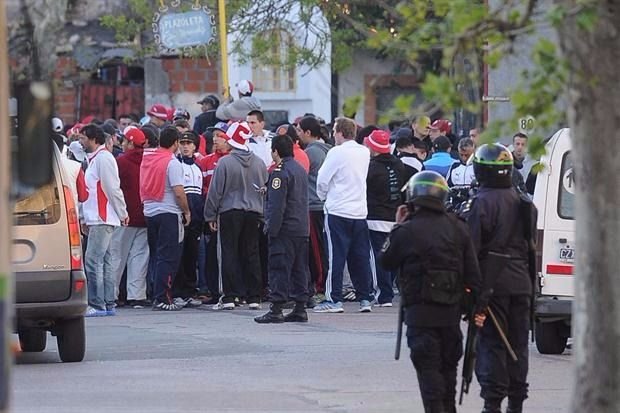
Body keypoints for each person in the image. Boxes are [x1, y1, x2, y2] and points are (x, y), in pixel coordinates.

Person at [379, 171, 485, 413]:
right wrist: (474, 308)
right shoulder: (459, 228)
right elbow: (474, 276)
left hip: (421, 318)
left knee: (430, 386)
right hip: (451, 319)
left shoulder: (407, 231)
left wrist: (397, 225)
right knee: (447, 383)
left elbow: (385, 260)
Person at [460, 143, 537, 413]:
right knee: (518, 345)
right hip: (522, 283)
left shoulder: (481, 202)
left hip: (492, 285)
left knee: (493, 344)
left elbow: (471, 250)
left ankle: (492, 404)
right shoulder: (523, 200)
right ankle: (516, 403)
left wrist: (471, 291)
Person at [203, 121, 268, 310]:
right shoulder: (259, 163)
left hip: (229, 212)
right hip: (253, 213)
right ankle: (254, 296)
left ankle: (230, 296)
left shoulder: (225, 162)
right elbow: (263, 190)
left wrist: (210, 215)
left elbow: (216, 191)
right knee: (251, 254)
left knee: (228, 253)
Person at [313, 117, 375, 314]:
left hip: (337, 210)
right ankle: (365, 297)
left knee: (336, 257)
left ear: (340, 132)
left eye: (334, 131)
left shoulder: (336, 152)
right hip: (359, 211)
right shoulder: (364, 152)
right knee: (360, 257)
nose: (332, 134)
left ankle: (334, 298)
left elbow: (322, 180)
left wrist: (324, 197)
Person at [254, 135, 310, 324]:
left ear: (275, 151)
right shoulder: (299, 169)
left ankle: (276, 308)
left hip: (284, 228)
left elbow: (277, 206)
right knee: (299, 268)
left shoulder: (280, 172)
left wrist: (271, 228)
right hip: (301, 227)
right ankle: (300, 306)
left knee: (279, 267)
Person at [79, 124, 129, 317]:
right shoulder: (94, 159)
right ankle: (108, 303)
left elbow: (112, 189)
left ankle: (97, 303)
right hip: (97, 217)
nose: (81, 142)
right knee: (105, 261)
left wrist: (122, 212)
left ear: (93, 139)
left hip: (103, 217)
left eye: (83, 138)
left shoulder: (104, 158)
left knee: (93, 260)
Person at [140, 127, 191, 311]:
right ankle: (163, 297)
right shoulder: (172, 162)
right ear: (176, 143)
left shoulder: (148, 158)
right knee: (168, 257)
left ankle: (156, 294)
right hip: (169, 212)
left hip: (150, 211)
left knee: (156, 256)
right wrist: (186, 211)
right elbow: (179, 192)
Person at [363, 129, 406, 307]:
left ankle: (383, 294)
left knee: (378, 256)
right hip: (395, 216)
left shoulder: (370, 167)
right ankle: (391, 291)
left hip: (375, 217)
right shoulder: (399, 164)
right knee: (393, 254)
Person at [110, 126, 150, 309]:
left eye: (125, 140)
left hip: (124, 216)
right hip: (144, 214)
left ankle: (112, 294)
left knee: (117, 256)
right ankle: (137, 295)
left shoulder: (121, 161)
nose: (123, 143)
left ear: (131, 143)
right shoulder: (148, 160)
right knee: (139, 257)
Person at [298, 116, 331, 304]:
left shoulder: (311, 153)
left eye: (300, 130)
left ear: (308, 132)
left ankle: (320, 286)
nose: (298, 134)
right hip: (325, 205)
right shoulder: (330, 149)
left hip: (313, 205)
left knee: (317, 250)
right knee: (324, 248)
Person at [196, 122, 230, 303]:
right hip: (209, 213)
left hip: (227, 213)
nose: (215, 139)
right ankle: (213, 290)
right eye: (214, 135)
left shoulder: (233, 159)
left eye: (220, 135)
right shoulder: (206, 160)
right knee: (210, 254)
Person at [171, 131, 204, 308]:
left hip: (196, 216)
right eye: (182, 143)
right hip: (182, 214)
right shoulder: (176, 165)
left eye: (189, 143)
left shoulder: (197, 168)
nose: (185, 146)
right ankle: (177, 292)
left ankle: (190, 291)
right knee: (179, 255)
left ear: (194, 146)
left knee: (192, 255)